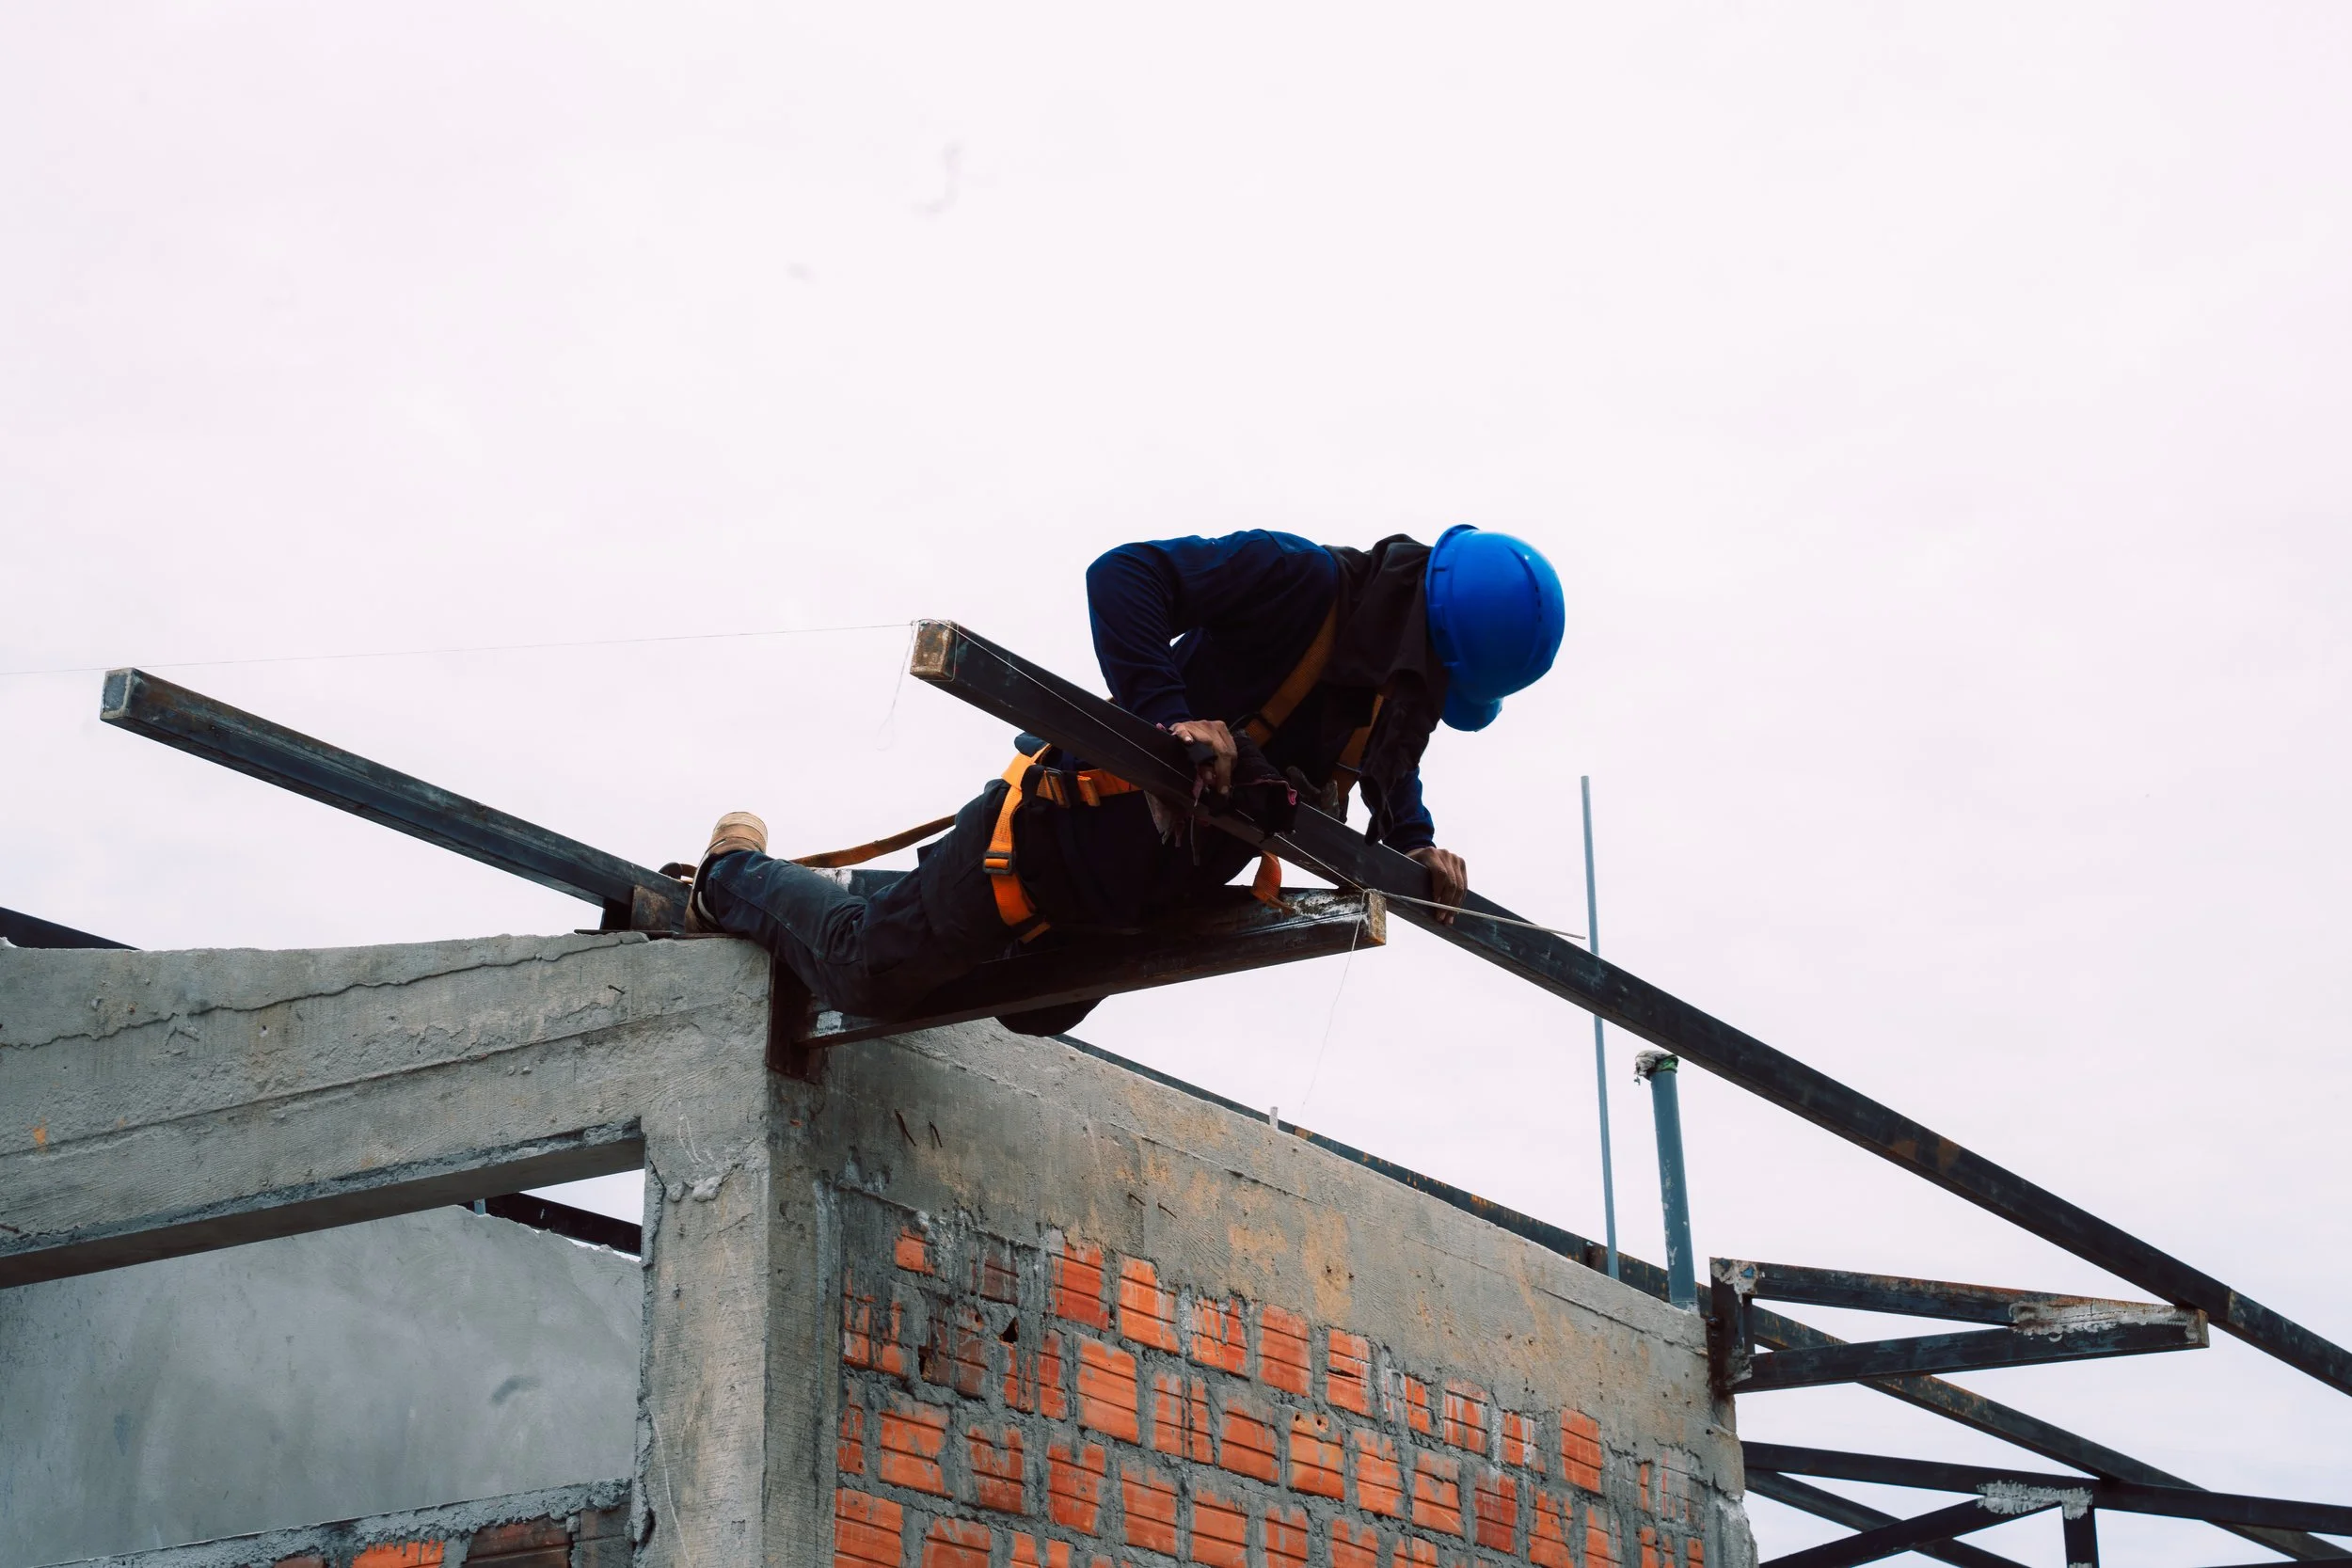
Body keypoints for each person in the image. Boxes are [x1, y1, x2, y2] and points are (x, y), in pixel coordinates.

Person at [683, 525, 1564, 1031]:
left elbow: (1389, 766)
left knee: (1025, 1012)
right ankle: (730, 878)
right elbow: (1125, 575)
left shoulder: (1383, 692)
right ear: (1432, 647)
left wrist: (1414, 844)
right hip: (1039, 850)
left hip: (1127, 905)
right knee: (870, 974)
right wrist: (1168, 712)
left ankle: (828, 906)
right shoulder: (1298, 582)